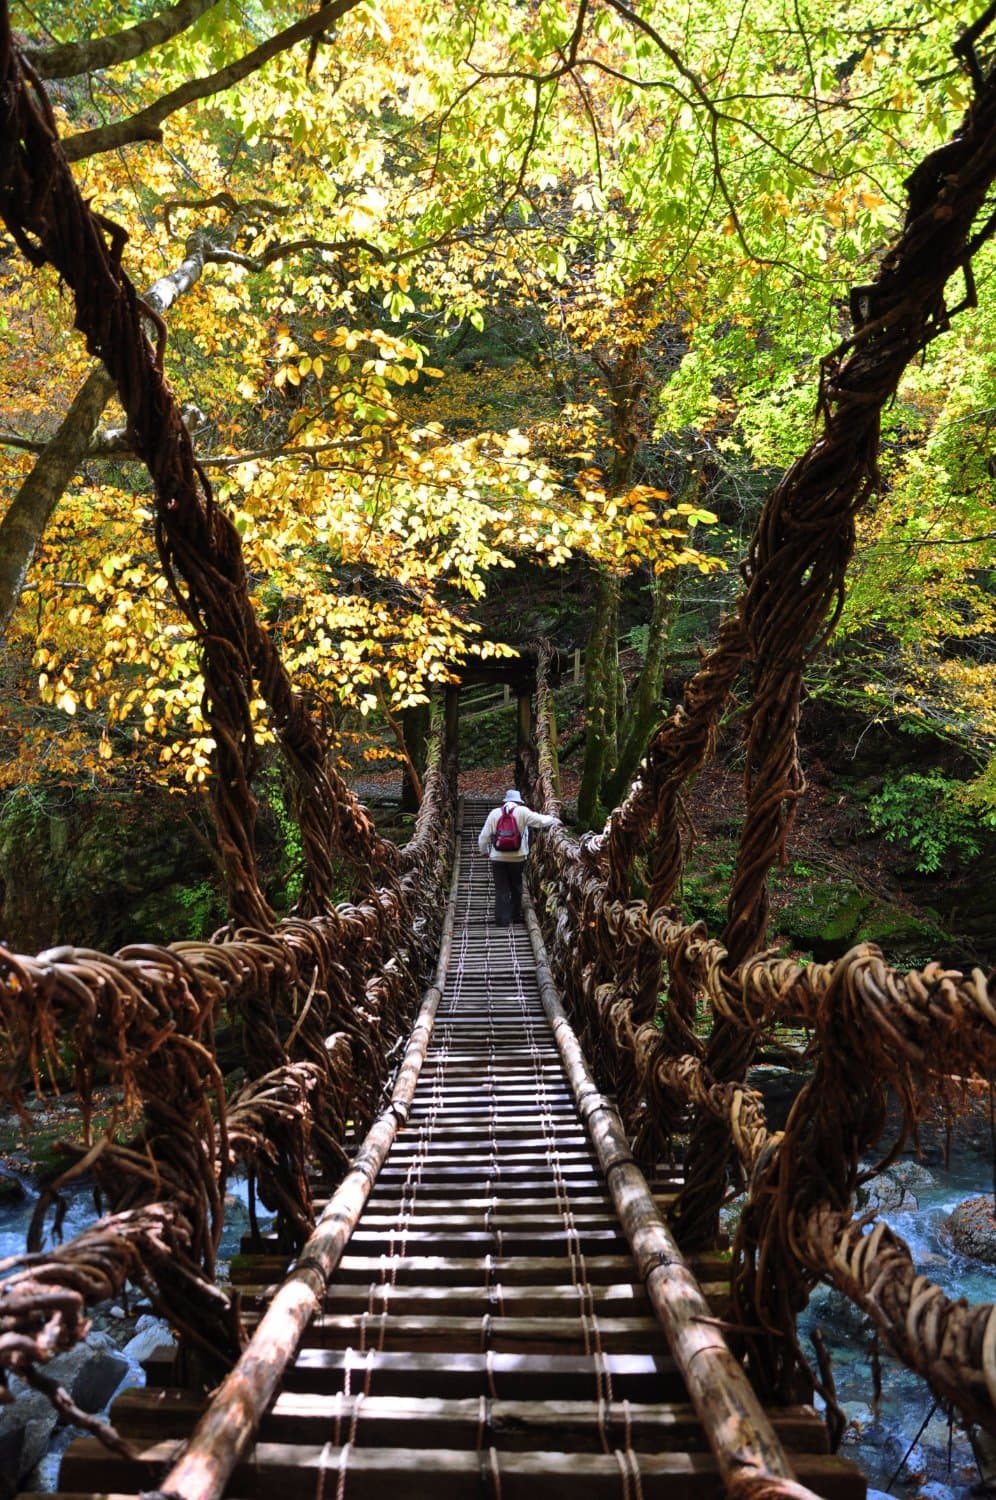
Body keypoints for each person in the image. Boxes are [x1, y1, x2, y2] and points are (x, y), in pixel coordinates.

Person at [477, 789, 559, 926]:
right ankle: (515, 916)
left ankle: (502, 920)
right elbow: (540, 821)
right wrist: (553, 820)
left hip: (498, 858)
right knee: (516, 885)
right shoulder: (522, 811)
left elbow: (483, 837)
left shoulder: (494, 813)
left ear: (505, 801)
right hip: (517, 857)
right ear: (518, 802)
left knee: (501, 888)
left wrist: (484, 851)